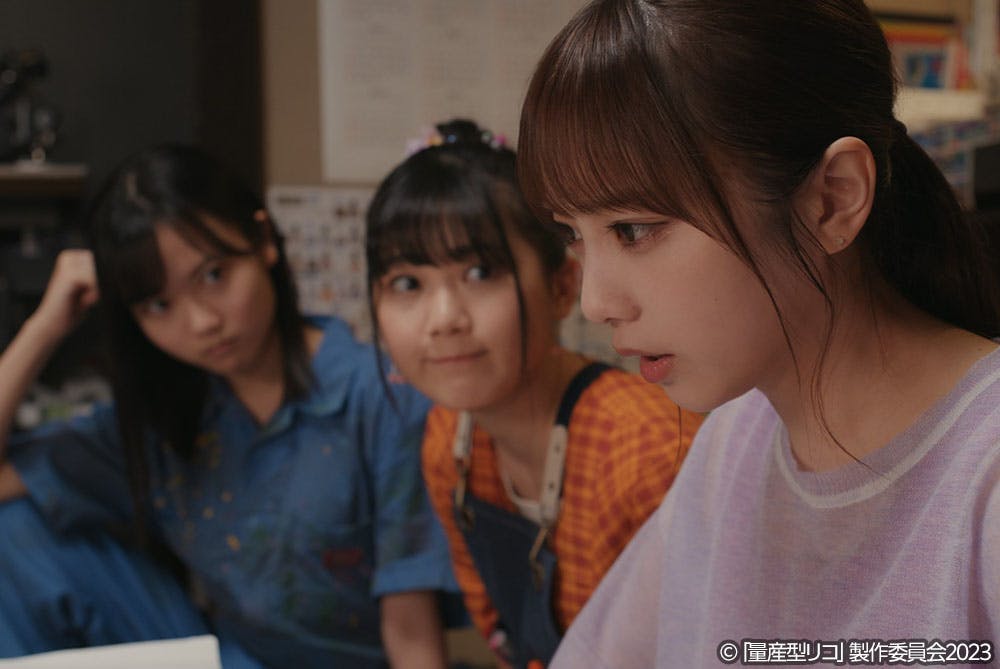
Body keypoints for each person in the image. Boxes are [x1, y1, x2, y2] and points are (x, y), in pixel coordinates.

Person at [515, 0, 1000, 667]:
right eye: (573, 233)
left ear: (832, 199)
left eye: (634, 228)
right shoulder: (734, 439)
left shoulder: (984, 473)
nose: (595, 302)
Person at [0, 143, 461, 669]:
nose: (202, 322)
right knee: (11, 530)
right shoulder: (169, 414)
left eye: (214, 275)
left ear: (263, 241)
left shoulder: (380, 396)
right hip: (223, 654)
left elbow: (411, 629)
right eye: (159, 305)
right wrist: (44, 326)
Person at [365, 118, 703, 669]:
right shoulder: (449, 440)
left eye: (480, 272)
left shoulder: (650, 456)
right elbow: (504, 638)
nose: (444, 319)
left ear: (562, 287)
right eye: (407, 284)